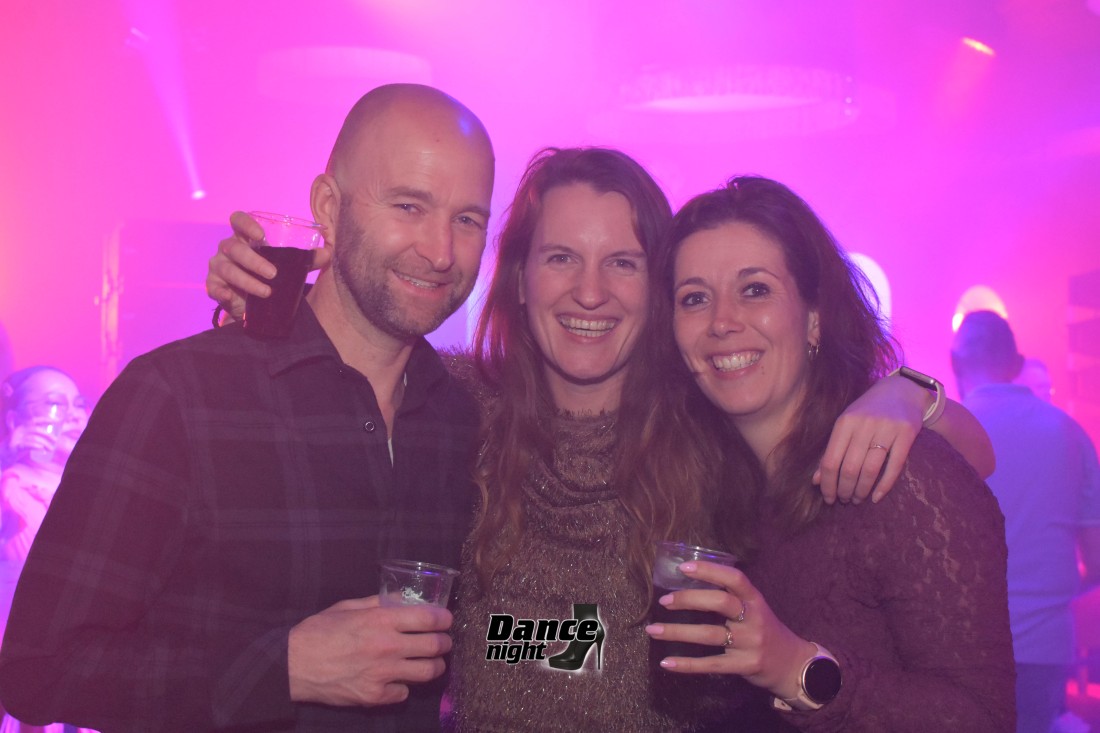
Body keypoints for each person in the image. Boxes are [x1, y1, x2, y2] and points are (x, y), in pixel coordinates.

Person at [205, 149, 996, 731]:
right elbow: (341, 351)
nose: (590, 291)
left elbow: (972, 452)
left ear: (657, 292)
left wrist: (907, 392)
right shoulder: (453, 403)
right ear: (520, 279)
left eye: (623, 262)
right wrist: (260, 294)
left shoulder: (708, 423)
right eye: (561, 258)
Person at [0, 84, 495, 732]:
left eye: (468, 220)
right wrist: (284, 668)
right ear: (329, 207)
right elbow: (38, 669)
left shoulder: (468, 423)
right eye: (409, 205)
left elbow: (498, 643)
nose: (441, 251)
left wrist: (586, 653)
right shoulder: (179, 398)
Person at [645, 176, 1015, 731]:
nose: (721, 322)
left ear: (814, 318)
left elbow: (985, 720)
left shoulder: (898, 476)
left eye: (755, 289)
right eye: (694, 298)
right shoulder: (713, 486)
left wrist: (797, 668)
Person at [952, 310, 1100, 733]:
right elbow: (1097, 560)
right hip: (1045, 643)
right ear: (1017, 363)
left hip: (959, 642)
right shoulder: (1068, 432)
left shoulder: (941, 435)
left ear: (955, 362)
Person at [0, 367, 89, 733]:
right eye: (54, 404)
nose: (72, 415)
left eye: (78, 404)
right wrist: (5, 457)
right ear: (15, 420)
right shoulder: (11, 487)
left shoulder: (95, 489)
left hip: (88, 670)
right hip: (29, 676)